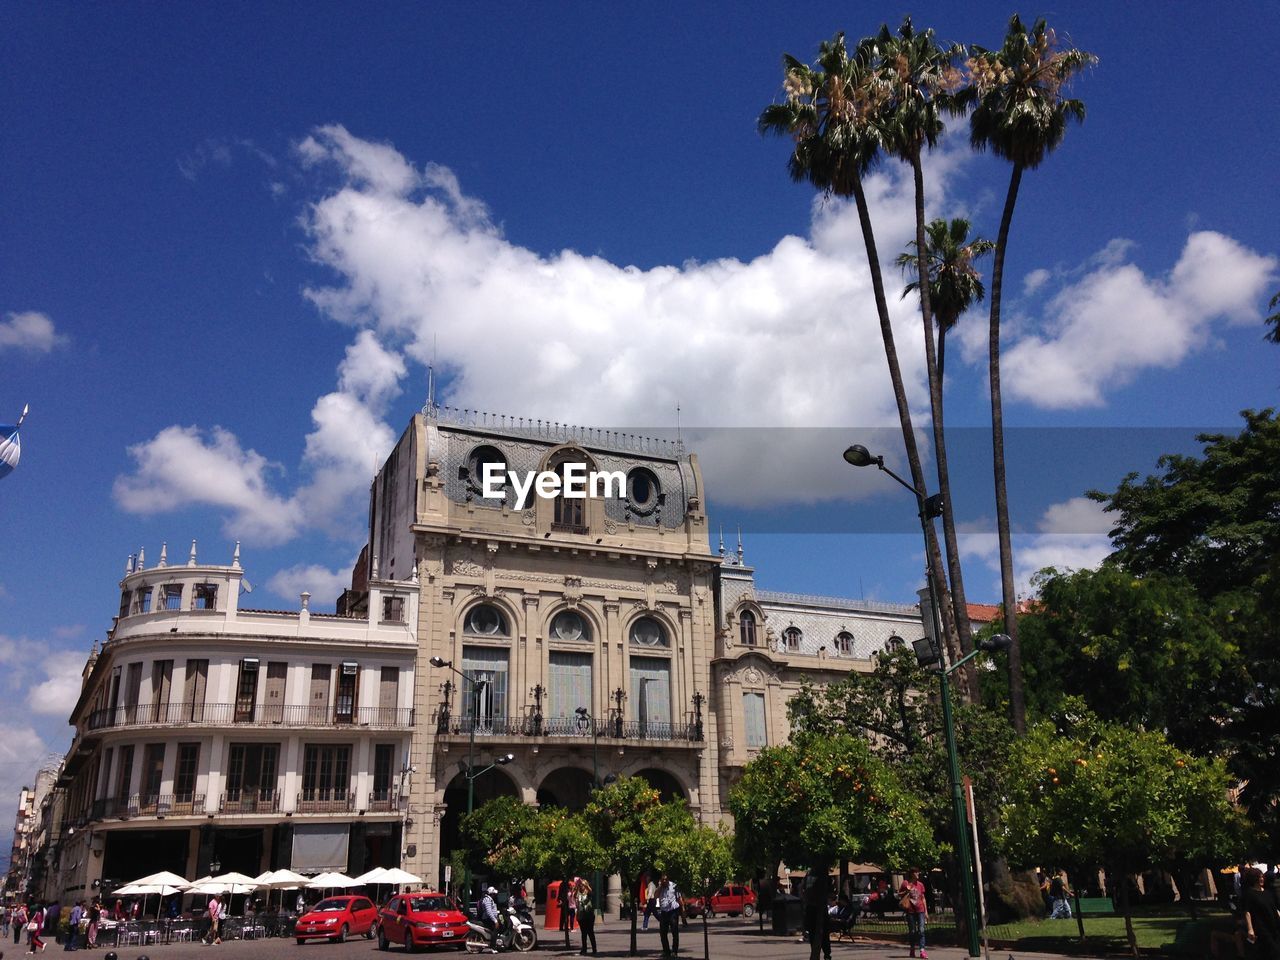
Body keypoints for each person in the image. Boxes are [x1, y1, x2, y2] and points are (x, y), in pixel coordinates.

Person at [1242, 866, 1280, 960]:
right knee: (1273, 951)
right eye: (1259, 877)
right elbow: (1247, 912)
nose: (1261, 879)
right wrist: (1250, 929)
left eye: (1262, 877)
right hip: (1262, 927)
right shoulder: (1250, 894)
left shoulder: (1268, 892)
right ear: (1253, 879)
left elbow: (1274, 908)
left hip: (1274, 925)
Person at [898, 869, 928, 960]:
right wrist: (906, 891)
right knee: (912, 931)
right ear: (911, 874)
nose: (918, 874)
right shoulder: (905, 883)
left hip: (920, 910)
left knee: (921, 930)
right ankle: (912, 948)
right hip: (910, 911)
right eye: (916, 872)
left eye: (918, 872)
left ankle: (922, 950)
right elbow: (899, 894)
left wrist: (926, 911)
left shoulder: (920, 885)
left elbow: (923, 898)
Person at [656, 872, 681, 958]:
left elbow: (679, 897)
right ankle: (666, 951)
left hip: (673, 911)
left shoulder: (674, 885)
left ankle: (674, 951)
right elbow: (655, 896)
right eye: (663, 879)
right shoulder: (660, 887)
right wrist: (660, 887)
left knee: (674, 931)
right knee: (663, 933)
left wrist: (683, 909)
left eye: (666, 879)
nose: (664, 881)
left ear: (668, 879)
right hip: (664, 912)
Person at [575, 879, 597, 956]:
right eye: (581, 885)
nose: (581, 887)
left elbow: (591, 892)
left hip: (589, 915)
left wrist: (586, 886)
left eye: (582, 885)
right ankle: (584, 949)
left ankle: (594, 949)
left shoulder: (588, 893)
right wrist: (577, 886)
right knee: (583, 933)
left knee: (590, 932)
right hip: (581, 915)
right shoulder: (578, 894)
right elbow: (574, 897)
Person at [478, 886, 500, 952]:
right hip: (488, 919)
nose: (495, 895)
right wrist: (495, 921)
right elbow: (489, 912)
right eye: (494, 894)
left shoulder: (490, 899)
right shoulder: (487, 900)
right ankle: (493, 947)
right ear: (491, 894)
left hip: (491, 918)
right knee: (495, 930)